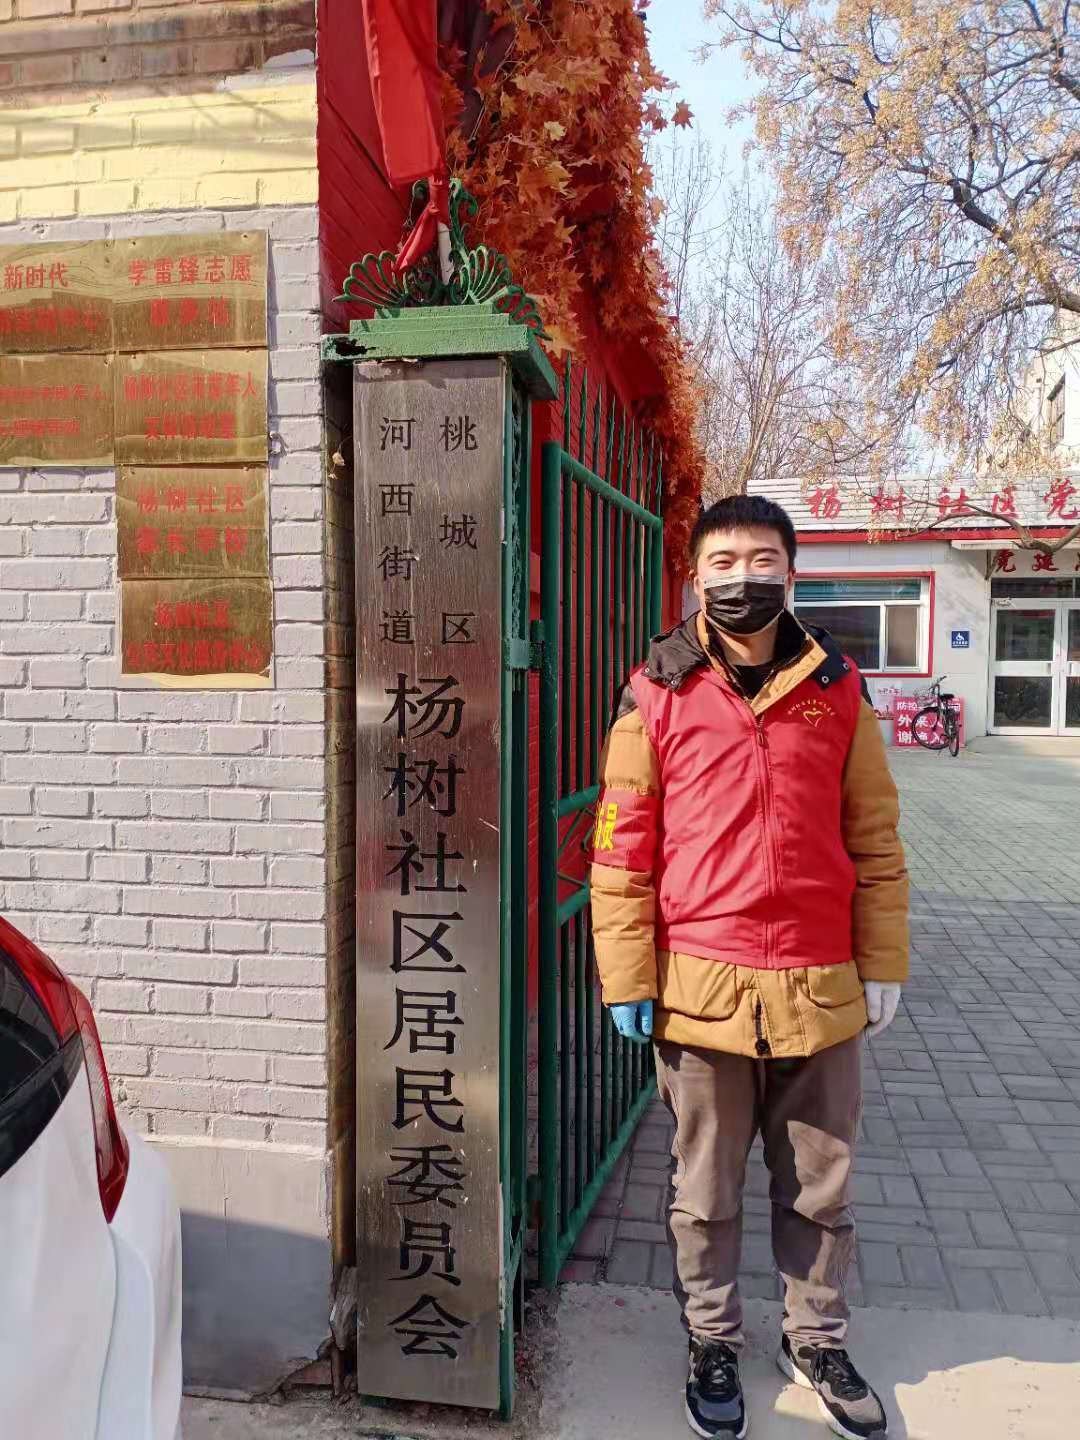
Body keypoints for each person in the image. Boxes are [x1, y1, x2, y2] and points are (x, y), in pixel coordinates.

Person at [590, 495, 909, 1440]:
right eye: (723, 563)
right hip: (702, 986)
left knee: (820, 1187)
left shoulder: (837, 688)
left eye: (762, 560)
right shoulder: (656, 692)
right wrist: (626, 974)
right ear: (695, 578)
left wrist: (883, 957)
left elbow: (875, 835)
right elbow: (620, 846)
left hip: (821, 984)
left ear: (791, 573)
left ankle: (815, 1339)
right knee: (705, 1190)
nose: (742, 579)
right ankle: (712, 1339)